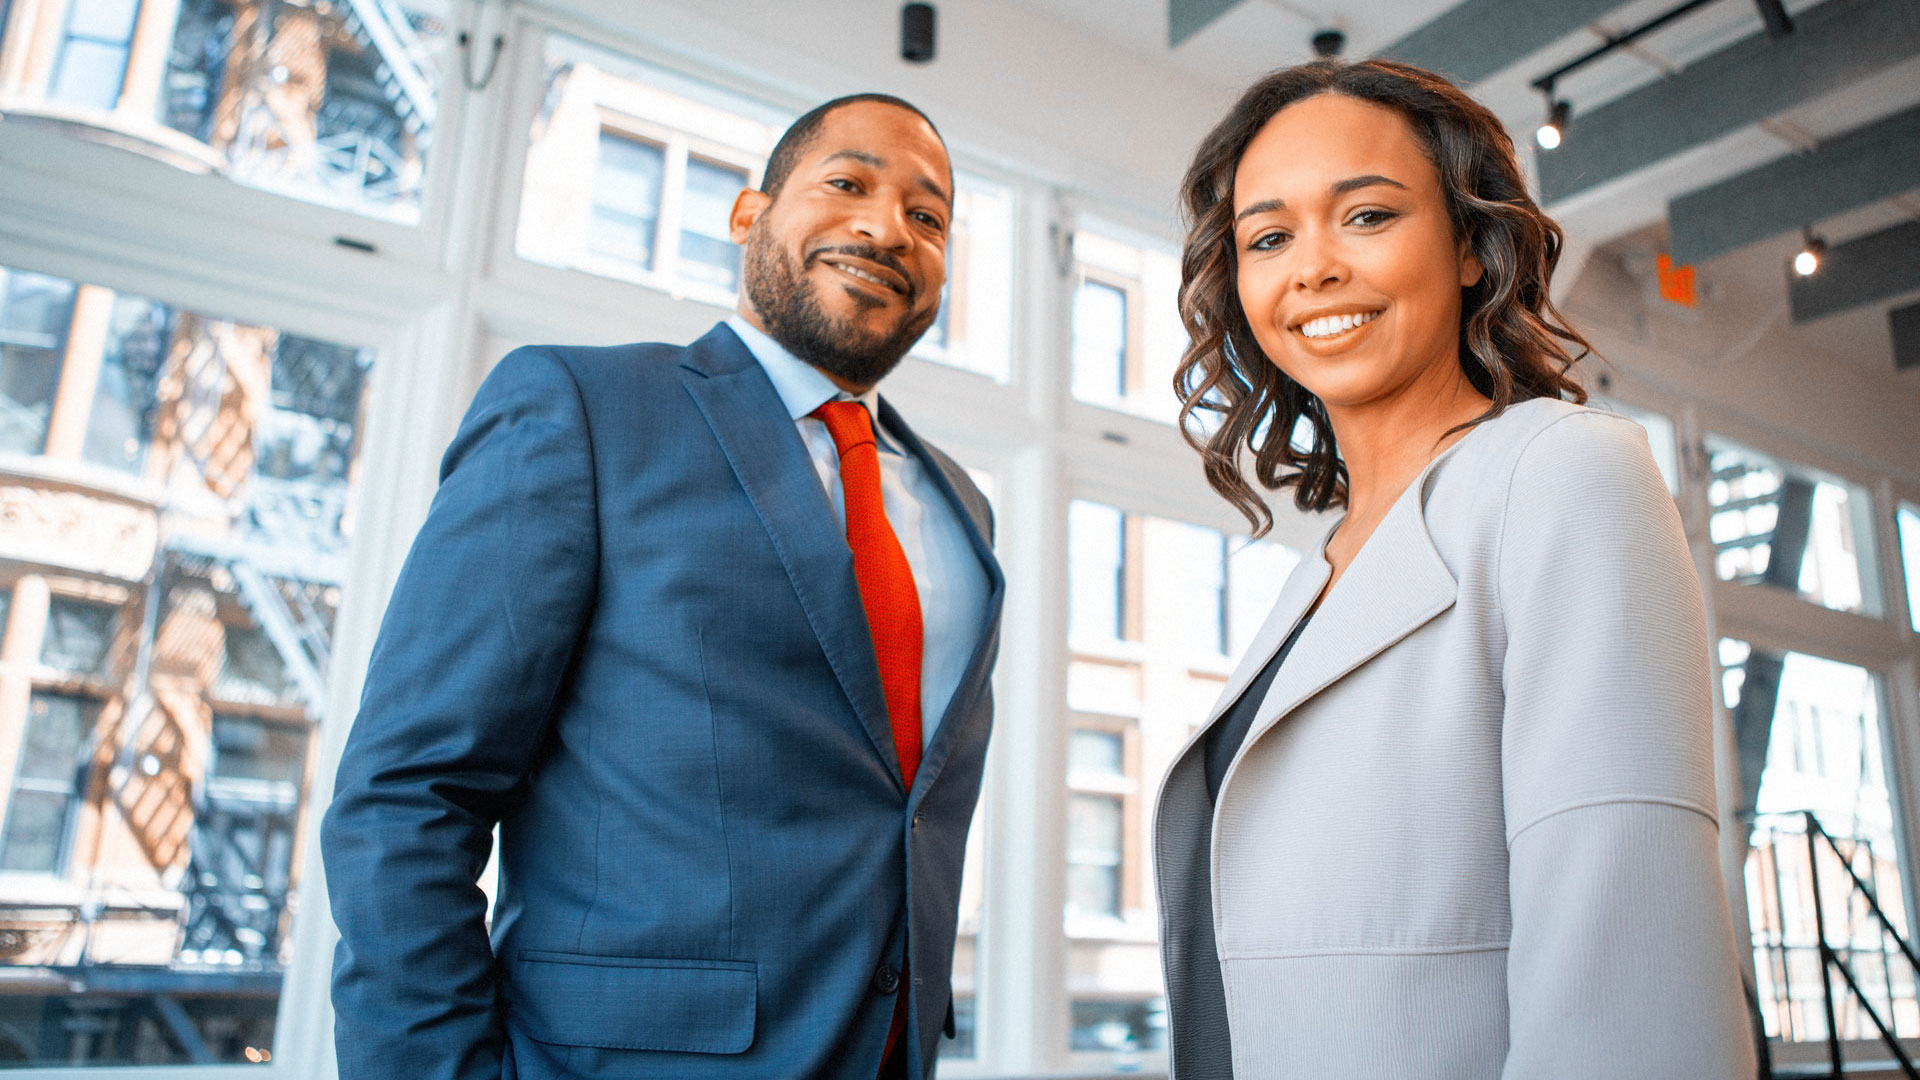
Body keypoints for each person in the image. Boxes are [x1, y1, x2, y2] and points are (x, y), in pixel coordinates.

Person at [322, 93, 1003, 1080]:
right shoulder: (578, 409)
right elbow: (409, 795)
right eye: (848, 183)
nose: (884, 226)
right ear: (748, 214)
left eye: (928, 216)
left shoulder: (961, 507)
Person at [1152, 59, 1755, 1078]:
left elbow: (1632, 986)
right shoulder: (1323, 566)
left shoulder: (1562, 473)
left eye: (1368, 216)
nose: (1312, 268)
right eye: (1268, 237)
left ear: (1471, 247)